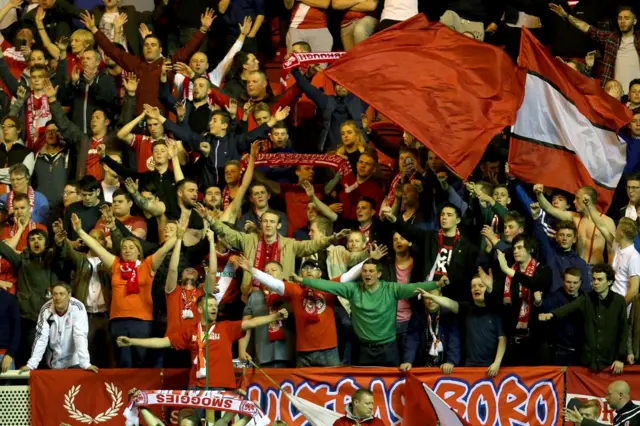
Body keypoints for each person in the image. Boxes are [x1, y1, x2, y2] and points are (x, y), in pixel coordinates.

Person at [116, 293, 289, 390]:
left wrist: (274, 316)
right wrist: (132, 341)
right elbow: (161, 342)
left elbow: (251, 322)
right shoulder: (190, 332)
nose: (214, 308)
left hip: (222, 387)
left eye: (215, 305)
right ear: (199, 309)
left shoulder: (226, 328)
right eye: (210, 305)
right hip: (197, 387)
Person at [70, 212, 177, 368]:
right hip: (118, 320)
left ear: (138, 251)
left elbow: (165, 249)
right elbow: (97, 248)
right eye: (124, 248)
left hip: (142, 321)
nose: (127, 250)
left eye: (131, 247)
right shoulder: (116, 265)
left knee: (141, 362)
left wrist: (180, 233)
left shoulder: (147, 265)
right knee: (123, 362)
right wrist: (80, 231)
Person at [301, 258, 447, 366]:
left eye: (371, 271)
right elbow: (328, 286)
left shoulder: (391, 289)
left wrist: (437, 284)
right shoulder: (352, 289)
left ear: (379, 274)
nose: (367, 274)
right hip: (364, 350)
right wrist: (303, 280)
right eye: (364, 271)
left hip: (389, 349)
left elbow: (415, 287)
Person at [80, 9, 216, 114]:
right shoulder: (136, 64)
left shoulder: (168, 63)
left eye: (153, 45)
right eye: (146, 45)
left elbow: (189, 49)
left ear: (160, 49)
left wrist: (203, 29)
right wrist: (93, 29)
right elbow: (112, 50)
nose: (149, 47)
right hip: (138, 120)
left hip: (160, 122)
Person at [539, 264, 628, 374]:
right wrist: (552, 314)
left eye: (600, 279)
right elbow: (569, 308)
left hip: (610, 362)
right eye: (594, 279)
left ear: (609, 282)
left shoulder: (619, 301)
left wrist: (620, 357)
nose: (595, 282)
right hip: (587, 363)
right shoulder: (586, 298)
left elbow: (624, 331)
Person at [53, 219, 114, 369]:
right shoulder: (80, 259)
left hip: (106, 315)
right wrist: (61, 242)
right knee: (85, 356)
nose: (94, 241)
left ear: (104, 242)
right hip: (85, 316)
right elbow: (66, 252)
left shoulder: (110, 262)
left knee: (108, 355)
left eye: (98, 238)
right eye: (91, 237)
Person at [549, 4, 640, 92]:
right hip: (615, 94)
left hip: (637, 92)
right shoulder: (611, 38)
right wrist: (567, 16)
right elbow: (586, 28)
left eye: (626, 18)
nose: (622, 21)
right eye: (620, 18)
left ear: (634, 21)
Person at [19, 282, 98, 373]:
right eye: (55, 294)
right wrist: (31, 364)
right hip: (54, 362)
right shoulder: (45, 310)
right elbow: (41, 338)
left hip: (75, 361)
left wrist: (85, 363)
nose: (57, 297)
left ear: (69, 295)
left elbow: (79, 335)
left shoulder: (78, 308)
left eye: (61, 294)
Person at [534, 184, 615, 265]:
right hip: (576, 267)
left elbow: (612, 251)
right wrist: (539, 194)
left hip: (596, 270)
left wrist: (612, 273)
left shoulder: (607, 221)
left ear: (587, 199)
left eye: (577, 198)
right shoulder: (574, 217)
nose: (574, 201)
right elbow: (549, 209)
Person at [583, 198, 640, 304]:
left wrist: (619, 308)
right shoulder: (616, 245)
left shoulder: (634, 257)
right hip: (608, 300)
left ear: (621, 233)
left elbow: (634, 290)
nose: (615, 230)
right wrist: (590, 206)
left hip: (620, 305)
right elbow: (601, 225)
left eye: (617, 228)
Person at [400, 286, 460, 375]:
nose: (430, 300)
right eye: (427, 297)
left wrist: (451, 361)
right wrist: (408, 360)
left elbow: (454, 338)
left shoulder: (449, 313)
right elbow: (412, 338)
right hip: (423, 364)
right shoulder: (418, 314)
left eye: (433, 297)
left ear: (441, 297)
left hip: (444, 366)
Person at [540, 268, 586, 366]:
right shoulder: (555, 297)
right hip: (561, 352)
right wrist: (538, 302)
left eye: (575, 282)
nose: (572, 286)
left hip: (581, 353)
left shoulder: (585, 298)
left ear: (580, 282)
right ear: (563, 281)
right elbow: (543, 307)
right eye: (568, 282)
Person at [565, 380, 640, 425]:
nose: (606, 397)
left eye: (609, 394)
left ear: (620, 395)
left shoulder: (638, 413)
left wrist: (582, 420)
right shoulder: (618, 419)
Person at [0, 287, 20, 373]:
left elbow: (17, 329)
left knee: (7, 386)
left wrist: (10, 354)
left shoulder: (9, 299)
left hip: (3, 356)